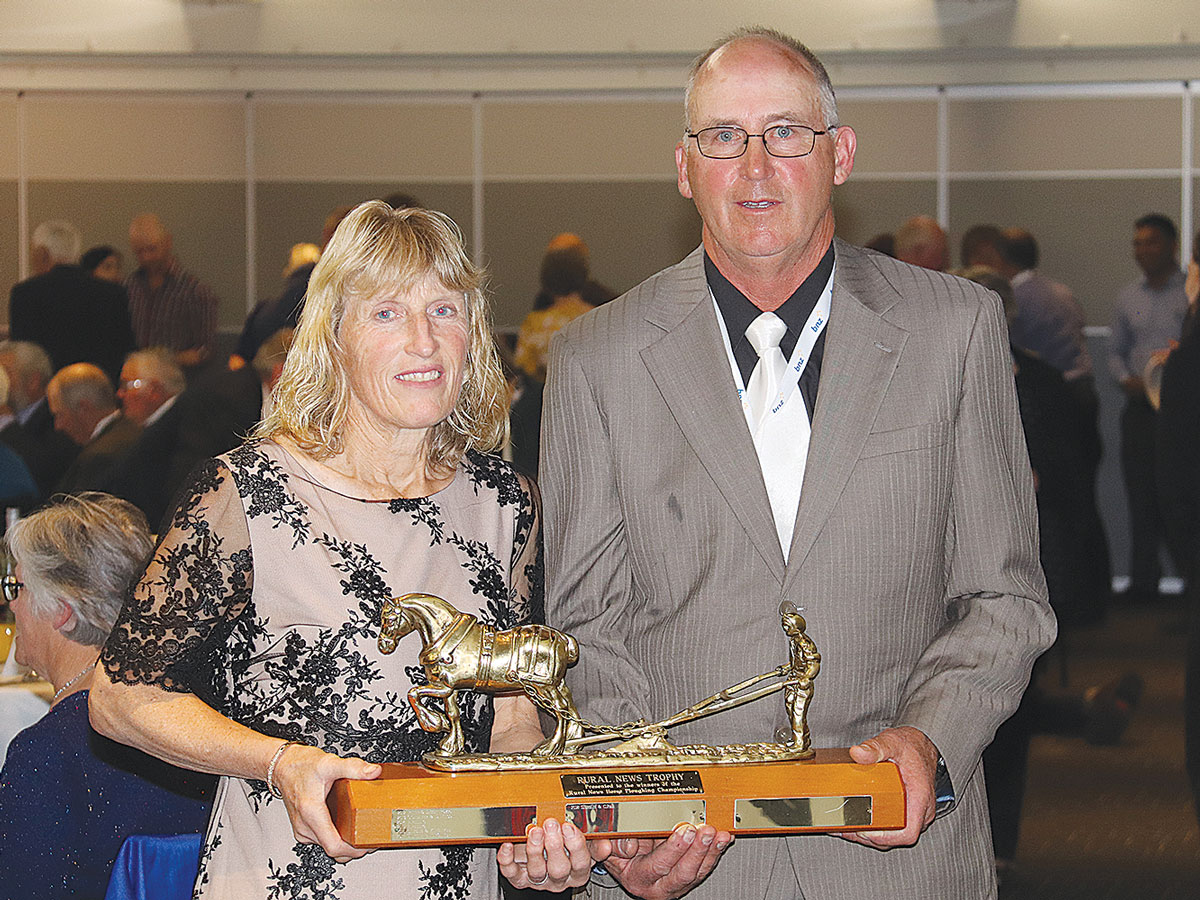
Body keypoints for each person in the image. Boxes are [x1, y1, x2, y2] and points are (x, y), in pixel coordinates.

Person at [540, 26, 1055, 900]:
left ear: (839, 154)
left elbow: (1003, 597)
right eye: (723, 137)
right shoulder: (597, 356)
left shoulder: (954, 330)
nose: (753, 165)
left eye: (785, 132)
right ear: (684, 166)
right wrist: (634, 806)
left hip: (897, 853)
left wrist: (928, 739)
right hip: (680, 862)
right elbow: (587, 621)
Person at [89, 201, 592, 898]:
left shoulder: (507, 505)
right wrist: (277, 762)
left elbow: (511, 721)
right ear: (333, 339)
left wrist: (533, 827)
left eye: (444, 310)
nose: (423, 339)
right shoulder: (249, 494)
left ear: (473, 335)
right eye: (386, 313)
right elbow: (120, 697)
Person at [0, 493, 213, 899]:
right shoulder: (195, 720)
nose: (12, 603)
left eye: (18, 586)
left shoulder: (49, 754)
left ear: (63, 610)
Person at [1109, 213, 1190, 603]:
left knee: (1180, 495)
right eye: (1137, 243)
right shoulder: (1128, 296)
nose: (1143, 250)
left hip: (1182, 413)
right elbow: (1115, 352)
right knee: (1140, 494)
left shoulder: (1188, 295)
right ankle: (1144, 585)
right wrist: (1126, 379)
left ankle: (1190, 583)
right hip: (1140, 409)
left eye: (1151, 242)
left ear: (1172, 245)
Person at [8, 220, 136, 384]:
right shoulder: (113, 293)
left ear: (43, 254)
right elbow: (125, 350)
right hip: (101, 390)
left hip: (49, 394)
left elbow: (24, 357)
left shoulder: (26, 294)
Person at [126, 213, 220, 370]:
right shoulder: (129, 286)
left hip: (179, 382)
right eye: (139, 252)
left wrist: (164, 361)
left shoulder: (196, 291)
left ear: (168, 242)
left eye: (152, 249)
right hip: (136, 377)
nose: (146, 257)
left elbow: (206, 350)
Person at [0, 340, 79, 497]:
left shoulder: (56, 415)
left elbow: (43, 468)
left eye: (6, 373)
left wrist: (6, 422)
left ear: (33, 381)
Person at [48, 362, 141, 495]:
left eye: (60, 415)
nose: (58, 426)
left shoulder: (99, 458)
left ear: (83, 409)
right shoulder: (135, 433)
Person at [515, 246, 596, 383]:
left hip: (545, 399)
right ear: (583, 276)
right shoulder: (597, 318)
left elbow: (523, 369)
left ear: (546, 280)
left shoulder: (535, 324)